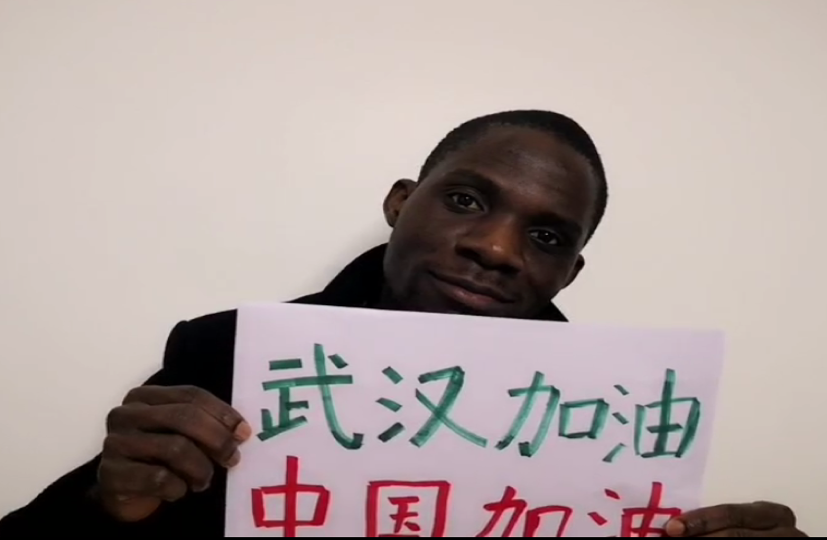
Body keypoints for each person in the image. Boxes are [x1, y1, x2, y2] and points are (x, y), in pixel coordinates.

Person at [0, 110, 806, 537]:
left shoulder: (617, 428)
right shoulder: (225, 352)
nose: (496, 248)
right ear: (398, 203)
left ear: (569, 272)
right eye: (466, 199)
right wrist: (105, 510)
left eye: (546, 237)